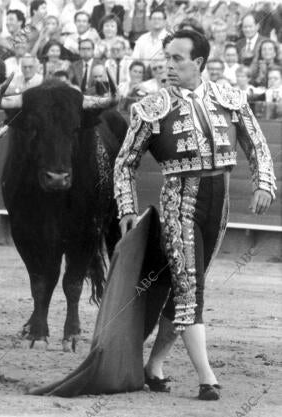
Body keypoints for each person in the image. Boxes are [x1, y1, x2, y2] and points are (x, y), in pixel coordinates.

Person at [113, 28, 276, 400]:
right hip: (180, 202)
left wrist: (264, 182)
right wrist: (126, 206)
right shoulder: (152, 108)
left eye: (177, 58)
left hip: (219, 206)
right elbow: (124, 165)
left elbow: (257, 143)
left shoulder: (229, 97)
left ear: (198, 63)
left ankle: (153, 366)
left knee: (188, 286)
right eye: (166, 58)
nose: (168, 66)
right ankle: (207, 378)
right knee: (191, 289)